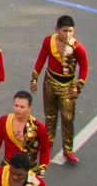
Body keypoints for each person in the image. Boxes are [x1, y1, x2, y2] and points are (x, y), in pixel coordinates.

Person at [31, 17, 89, 165]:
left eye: (70, 31)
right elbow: (41, 59)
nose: (68, 34)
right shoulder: (48, 41)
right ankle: (48, 143)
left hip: (67, 85)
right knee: (50, 115)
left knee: (67, 118)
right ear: (57, 30)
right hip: (50, 82)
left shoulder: (77, 48)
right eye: (64, 31)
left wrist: (78, 88)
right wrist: (34, 78)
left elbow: (84, 67)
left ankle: (68, 150)